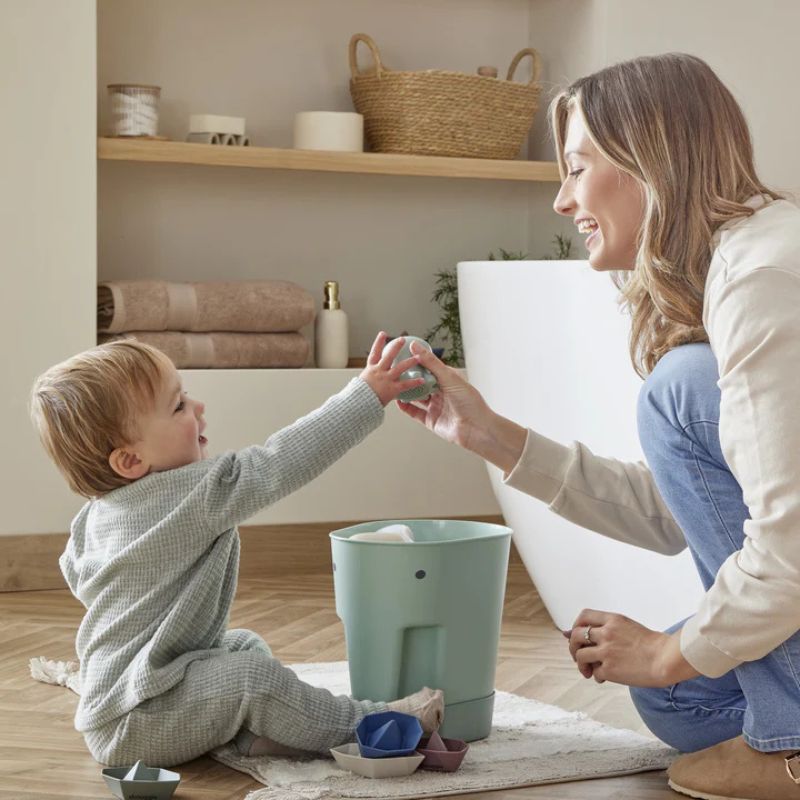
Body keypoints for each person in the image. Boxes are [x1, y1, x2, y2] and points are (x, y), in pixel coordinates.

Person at [399, 53, 800, 800]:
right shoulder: (740, 266)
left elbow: (791, 551)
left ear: (647, 164)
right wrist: (488, 434)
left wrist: (667, 649)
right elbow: (683, 511)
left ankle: (791, 746)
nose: (561, 200)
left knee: (677, 390)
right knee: (675, 701)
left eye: (576, 169)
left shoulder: (763, 281)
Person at [29, 335, 443, 767]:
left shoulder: (97, 513)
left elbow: (76, 571)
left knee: (242, 646)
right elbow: (281, 461)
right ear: (131, 461)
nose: (198, 407)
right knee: (251, 678)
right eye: (178, 407)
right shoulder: (191, 493)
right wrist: (367, 395)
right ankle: (370, 725)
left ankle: (253, 737)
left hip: (132, 705)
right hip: (139, 722)